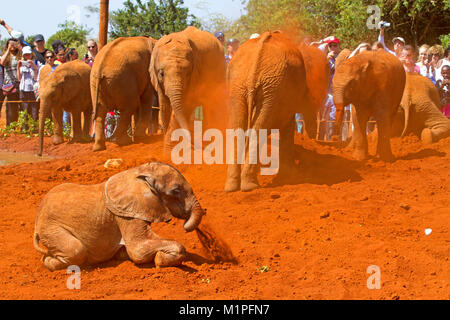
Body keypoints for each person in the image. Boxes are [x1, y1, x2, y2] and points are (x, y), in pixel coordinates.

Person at [0, 38, 22, 126]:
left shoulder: (19, 55)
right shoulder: (6, 55)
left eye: (13, 44)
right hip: (8, 84)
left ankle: (19, 125)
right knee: (10, 106)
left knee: (18, 106)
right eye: (10, 44)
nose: (12, 46)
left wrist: (20, 47)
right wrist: (8, 49)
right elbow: (2, 62)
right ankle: (10, 126)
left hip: (19, 83)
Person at [17, 46, 39, 131]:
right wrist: (18, 67)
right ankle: (24, 128)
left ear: (31, 54)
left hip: (33, 89)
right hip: (23, 89)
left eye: (29, 54)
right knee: (24, 108)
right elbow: (19, 78)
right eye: (26, 55)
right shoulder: (21, 64)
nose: (27, 56)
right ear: (23, 55)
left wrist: (33, 66)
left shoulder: (36, 63)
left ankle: (35, 127)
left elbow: (36, 77)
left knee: (34, 108)